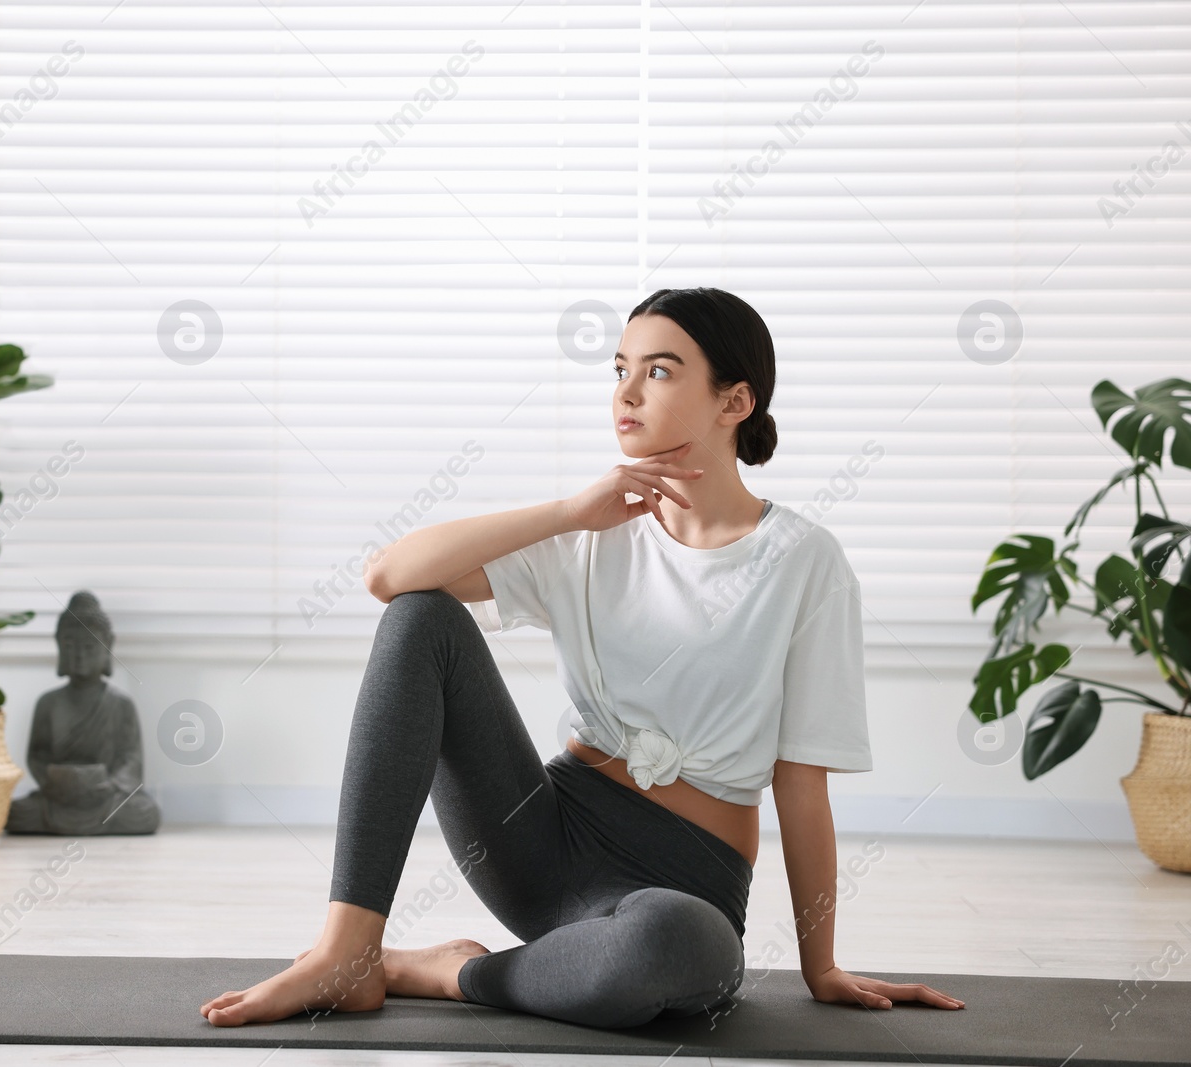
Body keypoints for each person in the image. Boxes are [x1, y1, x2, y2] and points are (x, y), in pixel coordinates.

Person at [200, 287, 966, 1028]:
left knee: (666, 946)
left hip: (684, 891)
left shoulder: (804, 563)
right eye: (620, 368)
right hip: (540, 841)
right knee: (421, 617)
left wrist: (819, 966)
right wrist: (571, 510)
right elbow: (389, 577)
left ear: (735, 402)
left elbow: (802, 785)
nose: (626, 391)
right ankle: (348, 946)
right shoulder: (590, 534)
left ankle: (442, 971)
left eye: (658, 370)